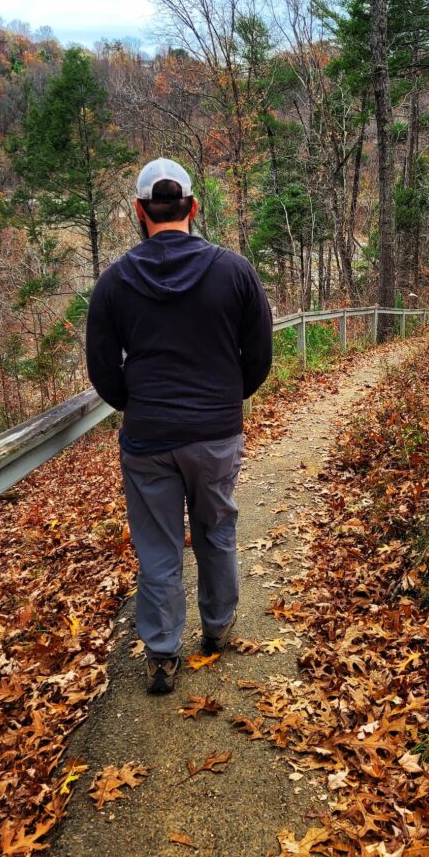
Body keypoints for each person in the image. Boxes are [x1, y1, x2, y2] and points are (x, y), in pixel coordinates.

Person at [86, 158, 273, 694]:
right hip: (215, 433)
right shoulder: (235, 271)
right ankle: (217, 629)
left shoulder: (114, 283)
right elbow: (258, 354)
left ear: (140, 213)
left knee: (158, 546)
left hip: (148, 438)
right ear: (192, 207)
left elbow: (103, 370)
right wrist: (223, 400)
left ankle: (162, 653)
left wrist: (140, 402)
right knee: (216, 528)